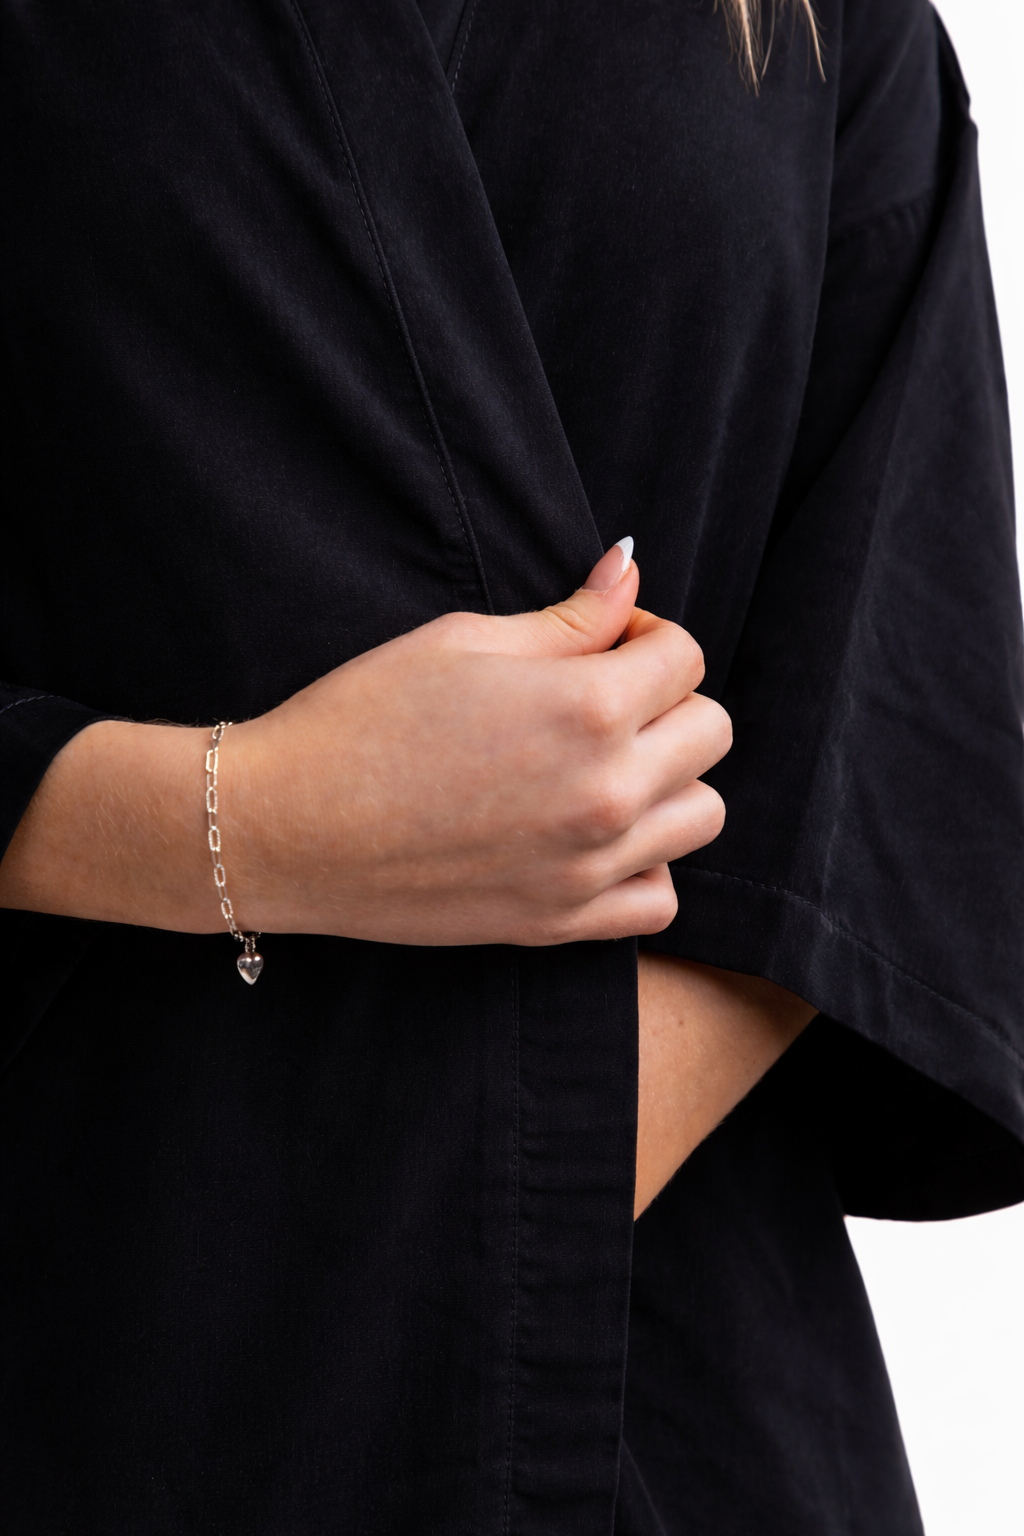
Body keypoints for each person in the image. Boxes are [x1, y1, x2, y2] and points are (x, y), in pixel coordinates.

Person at [1, 0, 1021, 1530]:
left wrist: (458, 1218)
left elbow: (881, 745)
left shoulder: (829, 36)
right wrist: (267, 818)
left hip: (648, 1378)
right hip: (83, 1323)